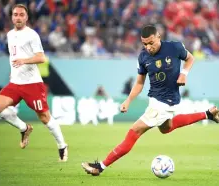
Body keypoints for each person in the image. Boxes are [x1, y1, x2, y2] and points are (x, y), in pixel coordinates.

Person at [81, 25, 219, 175]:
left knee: (134, 131)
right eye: (144, 44)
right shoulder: (143, 57)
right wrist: (128, 101)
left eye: (151, 43)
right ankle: (208, 114)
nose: (148, 47)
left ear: (158, 37)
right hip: (155, 99)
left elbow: (190, 58)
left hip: (164, 102)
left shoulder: (174, 47)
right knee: (167, 128)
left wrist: (184, 73)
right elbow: (139, 83)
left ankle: (100, 166)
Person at [0, 4, 68, 162]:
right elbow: (14, 58)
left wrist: (24, 61)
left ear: (26, 17)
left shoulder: (32, 35)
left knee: (44, 117)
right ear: (12, 17)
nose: (18, 17)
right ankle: (24, 128)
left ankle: (62, 145)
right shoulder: (9, 35)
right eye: (15, 15)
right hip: (15, 83)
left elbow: (41, 57)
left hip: (32, 83)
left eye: (21, 15)